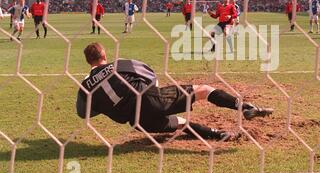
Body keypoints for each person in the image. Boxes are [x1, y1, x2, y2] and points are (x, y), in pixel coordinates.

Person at [76, 43, 274, 141]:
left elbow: (83, 112)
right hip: (150, 99)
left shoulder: (85, 86)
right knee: (203, 90)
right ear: (104, 54)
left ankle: (220, 134)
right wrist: (155, 93)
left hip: (137, 121)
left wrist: (106, 106)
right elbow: (148, 72)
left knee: (182, 124)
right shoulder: (118, 65)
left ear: (88, 61)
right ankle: (246, 107)